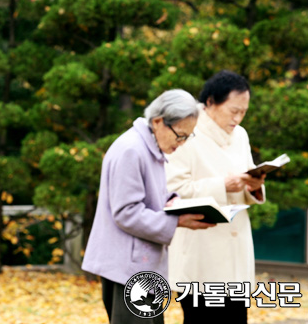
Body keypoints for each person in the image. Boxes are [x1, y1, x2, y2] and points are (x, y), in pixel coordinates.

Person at [82, 89, 215, 324]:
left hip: (141, 266)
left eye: (187, 137)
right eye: (180, 135)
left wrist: (174, 202)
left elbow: (148, 196)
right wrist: (177, 220)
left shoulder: (149, 147)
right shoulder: (132, 150)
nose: (182, 143)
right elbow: (126, 212)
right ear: (158, 122)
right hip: (126, 267)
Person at [165, 70, 266, 323]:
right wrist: (222, 185)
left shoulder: (240, 135)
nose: (239, 117)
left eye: (244, 111)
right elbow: (172, 189)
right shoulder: (184, 131)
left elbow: (242, 183)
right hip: (201, 252)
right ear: (210, 102)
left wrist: (253, 186)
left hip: (236, 251)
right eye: (234, 110)